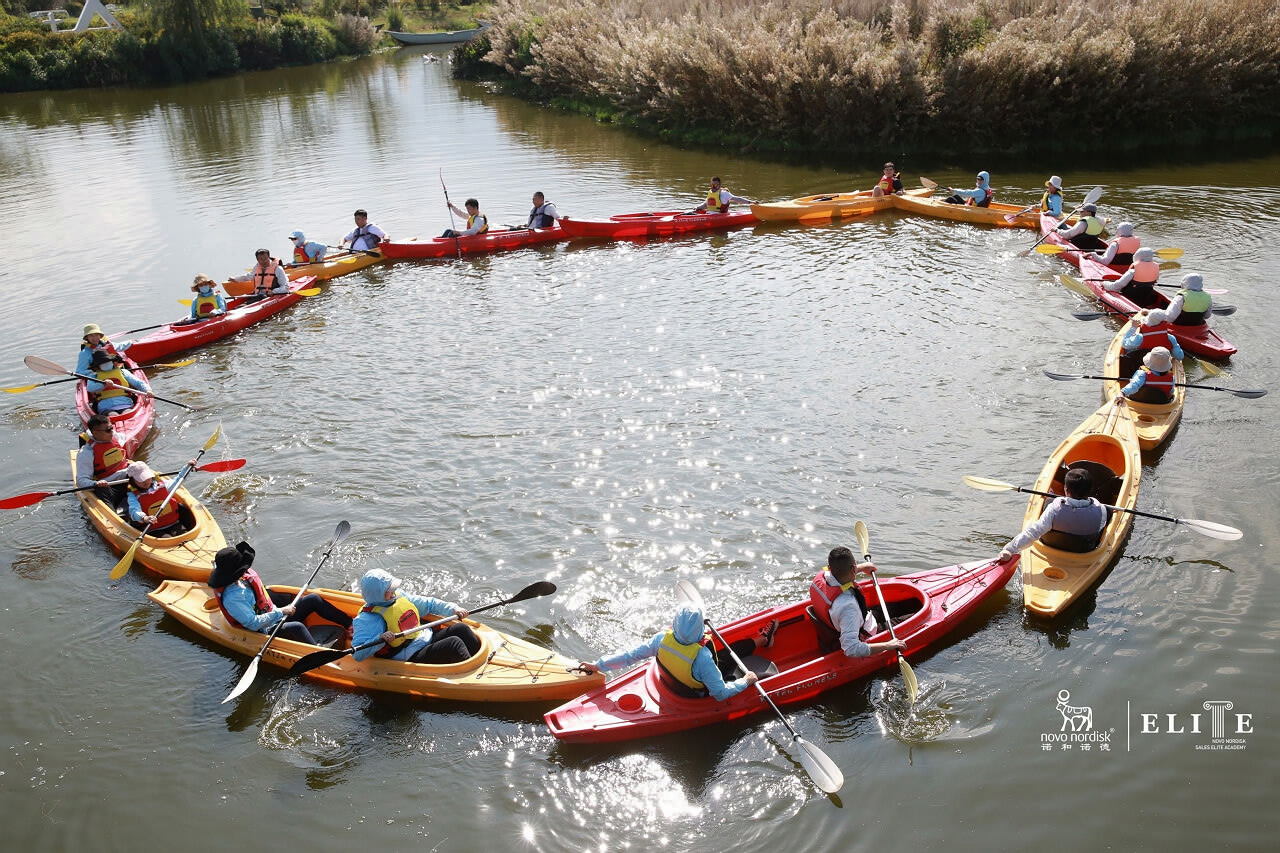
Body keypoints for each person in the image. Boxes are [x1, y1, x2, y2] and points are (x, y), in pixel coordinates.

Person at [575, 602, 775, 701]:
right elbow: (720, 693)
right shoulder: (703, 657)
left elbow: (630, 656)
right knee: (730, 662)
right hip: (696, 693)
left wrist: (598, 664)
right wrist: (745, 681)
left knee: (725, 654)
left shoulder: (661, 639)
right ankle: (762, 644)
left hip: (672, 682)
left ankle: (763, 639)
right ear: (699, 629)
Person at [208, 541, 353, 646]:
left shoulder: (241, 578)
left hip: (273, 614)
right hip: (263, 630)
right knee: (297, 627)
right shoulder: (233, 598)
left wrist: (279, 610)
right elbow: (253, 624)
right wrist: (281, 611)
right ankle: (316, 653)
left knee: (313, 599)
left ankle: (350, 625)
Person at [352, 569, 481, 664]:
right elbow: (358, 654)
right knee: (454, 644)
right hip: (407, 654)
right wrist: (380, 639)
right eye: (388, 592)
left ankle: (479, 661)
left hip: (423, 637)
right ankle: (475, 678)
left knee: (461, 629)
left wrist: (454, 609)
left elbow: (429, 604)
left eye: (392, 588)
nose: (392, 593)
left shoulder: (399, 596)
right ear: (377, 594)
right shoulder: (368, 618)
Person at [809, 546, 907, 658]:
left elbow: (839, 571)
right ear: (852, 568)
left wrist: (861, 567)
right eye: (855, 564)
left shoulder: (820, 577)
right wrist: (887, 645)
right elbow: (851, 649)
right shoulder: (848, 607)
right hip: (865, 631)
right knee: (910, 616)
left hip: (854, 620)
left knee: (900, 606)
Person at [999, 468, 1109, 559]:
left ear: (1066, 490)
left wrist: (1009, 549)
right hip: (1084, 550)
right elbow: (1099, 527)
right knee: (1109, 512)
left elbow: (1033, 531)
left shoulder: (1054, 509)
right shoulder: (1102, 510)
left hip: (1054, 545)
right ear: (1091, 490)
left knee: (1048, 501)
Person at [75, 412, 133, 511]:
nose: (111, 432)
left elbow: (124, 438)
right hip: (109, 486)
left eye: (111, 428)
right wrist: (95, 484)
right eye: (107, 430)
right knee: (101, 490)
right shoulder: (86, 453)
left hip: (127, 478)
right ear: (95, 433)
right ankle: (113, 516)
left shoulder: (113, 435)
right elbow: (81, 481)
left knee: (140, 468)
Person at [125, 460, 189, 535]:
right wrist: (145, 518)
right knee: (166, 539)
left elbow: (178, 480)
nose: (145, 481)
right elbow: (134, 511)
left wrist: (187, 467)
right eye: (141, 479)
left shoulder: (162, 485)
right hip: (154, 529)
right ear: (133, 481)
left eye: (147, 477)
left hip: (174, 523)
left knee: (184, 534)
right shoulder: (133, 496)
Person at [85, 349, 149, 414]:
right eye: (102, 363)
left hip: (126, 404)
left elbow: (138, 383)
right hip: (105, 407)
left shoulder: (123, 372)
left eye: (108, 361)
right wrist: (103, 384)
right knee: (113, 415)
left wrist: (147, 390)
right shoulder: (93, 376)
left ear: (113, 362)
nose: (106, 364)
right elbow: (90, 388)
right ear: (97, 366)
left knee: (127, 413)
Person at [1115, 345, 1182, 405]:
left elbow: (1134, 385)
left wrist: (1122, 392)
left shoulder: (1142, 374)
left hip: (1137, 402)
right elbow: (1171, 392)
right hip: (1160, 406)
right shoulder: (1171, 378)